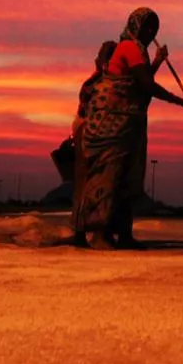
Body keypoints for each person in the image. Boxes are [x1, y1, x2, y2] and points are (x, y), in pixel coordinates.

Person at [77, 7, 183, 249]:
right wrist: (182, 102)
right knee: (108, 177)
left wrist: (156, 61)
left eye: (155, 28)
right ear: (136, 26)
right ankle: (100, 234)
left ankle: (123, 234)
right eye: (148, 26)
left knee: (127, 178)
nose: (152, 31)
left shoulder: (138, 51)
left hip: (127, 125)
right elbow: (145, 85)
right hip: (113, 124)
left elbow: (139, 81)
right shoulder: (130, 48)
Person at [70, 40, 118, 247]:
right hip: (91, 138)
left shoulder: (99, 82)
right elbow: (85, 112)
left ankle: (90, 233)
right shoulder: (97, 84)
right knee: (89, 186)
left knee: (93, 186)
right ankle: (86, 233)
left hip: (95, 137)